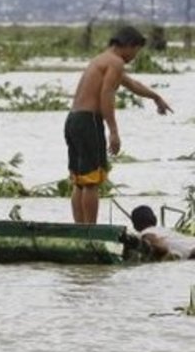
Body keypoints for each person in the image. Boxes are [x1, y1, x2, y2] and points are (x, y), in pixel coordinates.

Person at [66, 25, 173, 224]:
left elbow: (132, 84)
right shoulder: (115, 62)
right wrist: (113, 131)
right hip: (88, 121)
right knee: (91, 181)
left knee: (80, 181)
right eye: (136, 50)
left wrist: (155, 96)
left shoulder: (102, 60)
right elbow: (106, 95)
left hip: (74, 120)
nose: (135, 55)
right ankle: (91, 232)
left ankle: (80, 231)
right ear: (128, 46)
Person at [129, 205, 195, 259]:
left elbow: (160, 247)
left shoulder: (145, 233)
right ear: (155, 219)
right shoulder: (163, 230)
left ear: (135, 225)